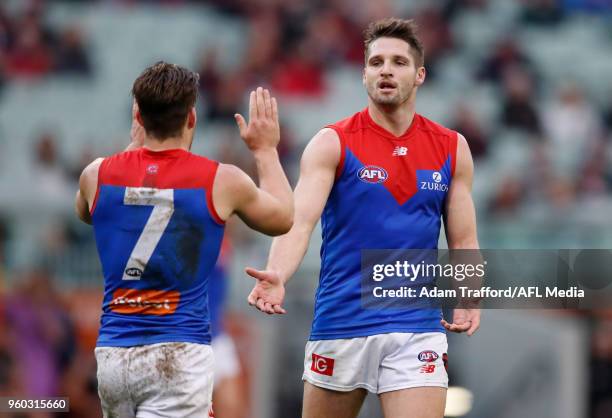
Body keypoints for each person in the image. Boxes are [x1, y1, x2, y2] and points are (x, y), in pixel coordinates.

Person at [245, 18, 480, 418]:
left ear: (420, 74)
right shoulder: (332, 142)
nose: (386, 69)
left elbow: (463, 240)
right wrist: (278, 273)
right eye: (376, 62)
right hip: (342, 322)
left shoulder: (451, 148)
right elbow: (299, 222)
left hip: (416, 328)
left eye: (399, 62)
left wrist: (470, 295)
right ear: (364, 73)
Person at [75, 61, 293, 418]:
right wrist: (265, 150)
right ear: (192, 117)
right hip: (177, 355)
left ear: (138, 115)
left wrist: (135, 145)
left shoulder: (95, 174)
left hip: (114, 354)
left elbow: (86, 213)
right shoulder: (221, 180)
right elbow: (283, 218)